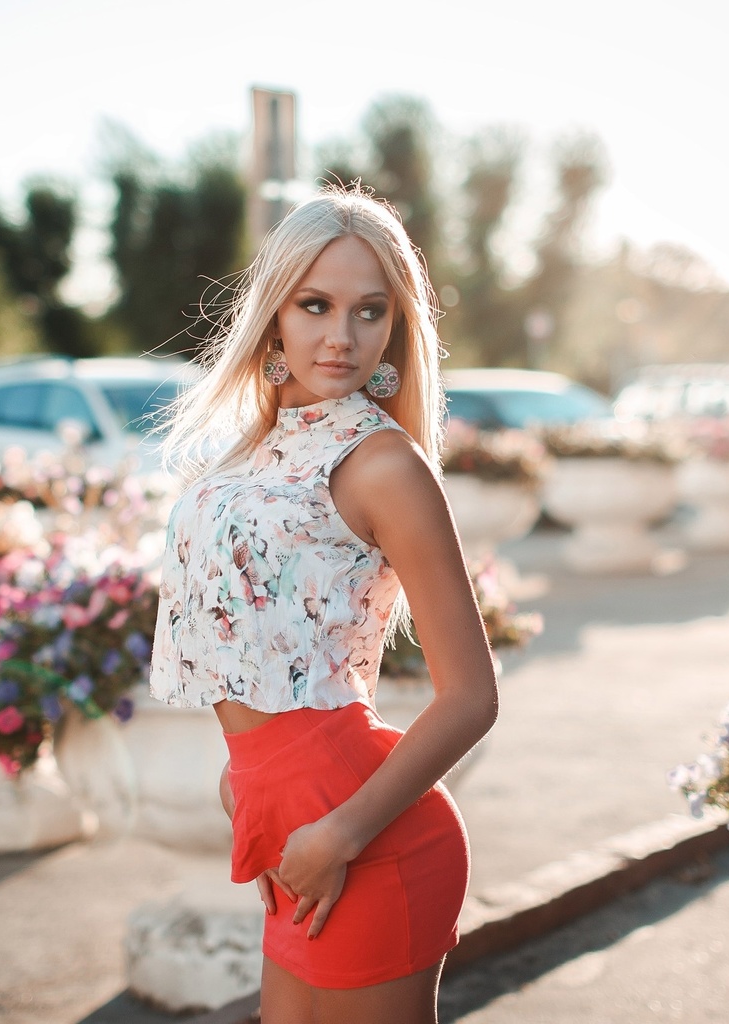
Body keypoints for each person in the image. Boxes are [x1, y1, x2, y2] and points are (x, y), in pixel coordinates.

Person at [149, 183, 498, 1023]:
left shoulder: (384, 464)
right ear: (275, 313)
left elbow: (472, 697)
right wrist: (248, 792)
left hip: (364, 837)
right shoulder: (251, 450)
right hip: (283, 828)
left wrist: (337, 835)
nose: (341, 336)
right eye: (316, 305)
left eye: (369, 312)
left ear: (394, 327)